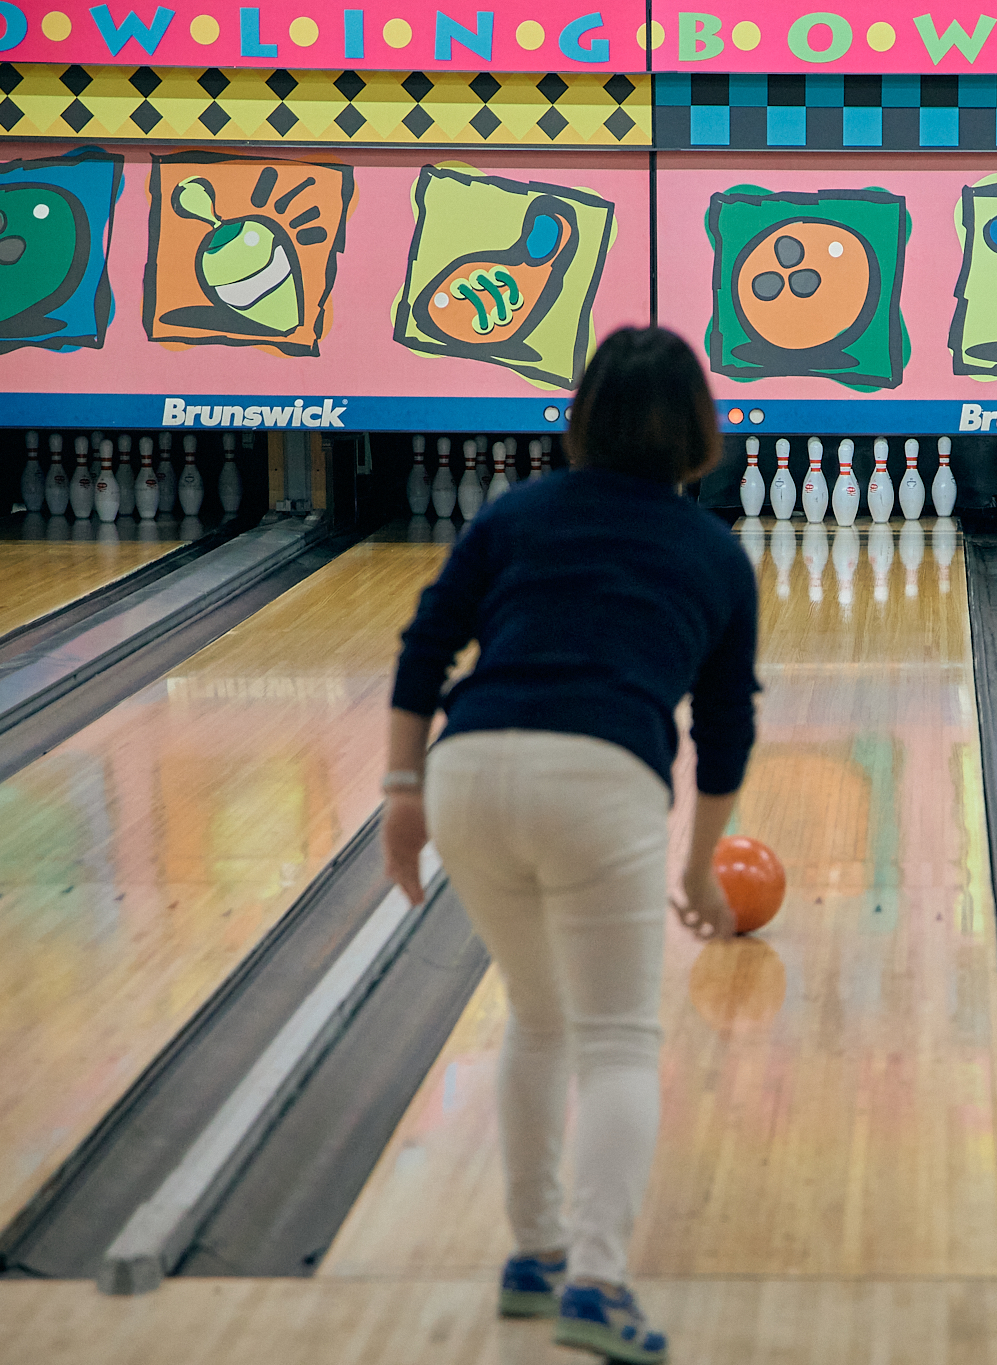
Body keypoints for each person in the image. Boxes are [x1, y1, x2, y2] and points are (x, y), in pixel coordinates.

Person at [384, 327, 759, 1364]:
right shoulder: (715, 553)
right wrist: (695, 868)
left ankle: (534, 1256)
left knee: (539, 1021)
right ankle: (596, 1282)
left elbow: (426, 644)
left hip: (469, 772)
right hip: (599, 780)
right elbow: (725, 731)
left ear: (578, 418)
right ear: (702, 433)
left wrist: (400, 791)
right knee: (616, 1039)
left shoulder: (514, 513)